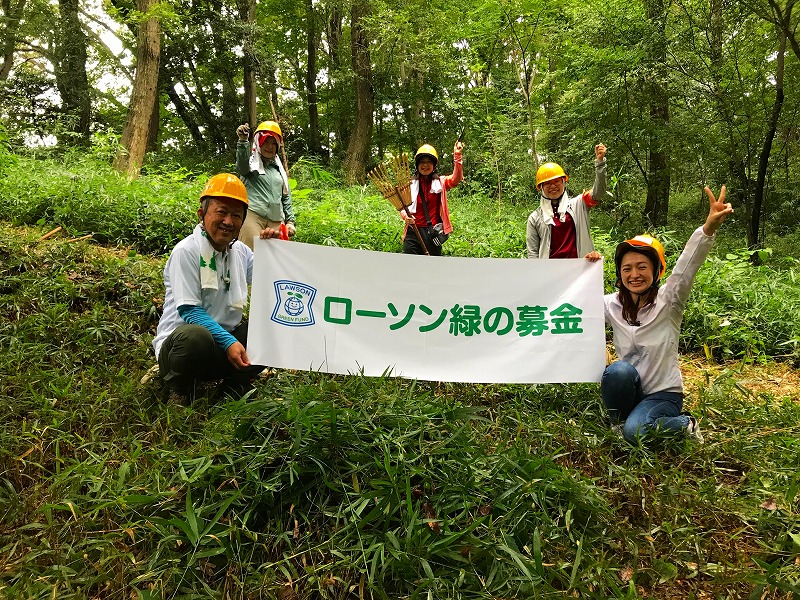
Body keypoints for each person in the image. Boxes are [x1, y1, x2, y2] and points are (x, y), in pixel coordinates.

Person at [587, 185, 734, 443]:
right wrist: (584, 267)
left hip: (663, 393)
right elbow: (578, 308)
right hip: (631, 388)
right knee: (617, 371)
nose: (634, 275)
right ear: (619, 275)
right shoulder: (611, 304)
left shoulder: (669, 301)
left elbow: (687, 267)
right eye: (627, 269)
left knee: (636, 434)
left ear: (657, 271)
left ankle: (685, 423)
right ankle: (620, 423)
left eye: (642, 267)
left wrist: (708, 228)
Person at [148, 173, 271, 402]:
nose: (228, 221)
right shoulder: (187, 251)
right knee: (196, 337)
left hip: (224, 349)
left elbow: (271, 278)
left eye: (236, 215)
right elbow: (189, 311)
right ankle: (178, 387)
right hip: (185, 349)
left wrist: (274, 248)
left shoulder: (241, 253)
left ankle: (232, 386)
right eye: (221, 212)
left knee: (270, 328)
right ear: (202, 214)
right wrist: (229, 342)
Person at [527, 144, 607, 259]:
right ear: (541, 187)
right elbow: (532, 254)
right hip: (551, 273)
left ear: (563, 182)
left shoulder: (579, 204)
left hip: (580, 270)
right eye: (548, 183)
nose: (553, 186)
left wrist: (600, 163)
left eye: (556, 181)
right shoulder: (535, 218)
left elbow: (598, 192)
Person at [235, 120, 296, 249]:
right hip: (253, 215)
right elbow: (241, 167)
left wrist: (290, 222)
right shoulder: (251, 163)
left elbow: (286, 197)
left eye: (274, 143)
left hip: (276, 219)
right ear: (259, 142)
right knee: (251, 255)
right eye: (266, 142)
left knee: (279, 259)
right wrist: (243, 141)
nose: (270, 146)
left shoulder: (278, 170)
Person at [400, 140, 463, 256]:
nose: (425, 165)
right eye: (422, 162)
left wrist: (457, 155)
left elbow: (456, 179)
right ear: (417, 164)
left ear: (434, 165)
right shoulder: (409, 184)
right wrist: (405, 216)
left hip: (432, 232)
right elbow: (402, 206)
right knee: (409, 266)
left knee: (432, 268)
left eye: (429, 162)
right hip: (413, 232)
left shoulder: (441, 183)